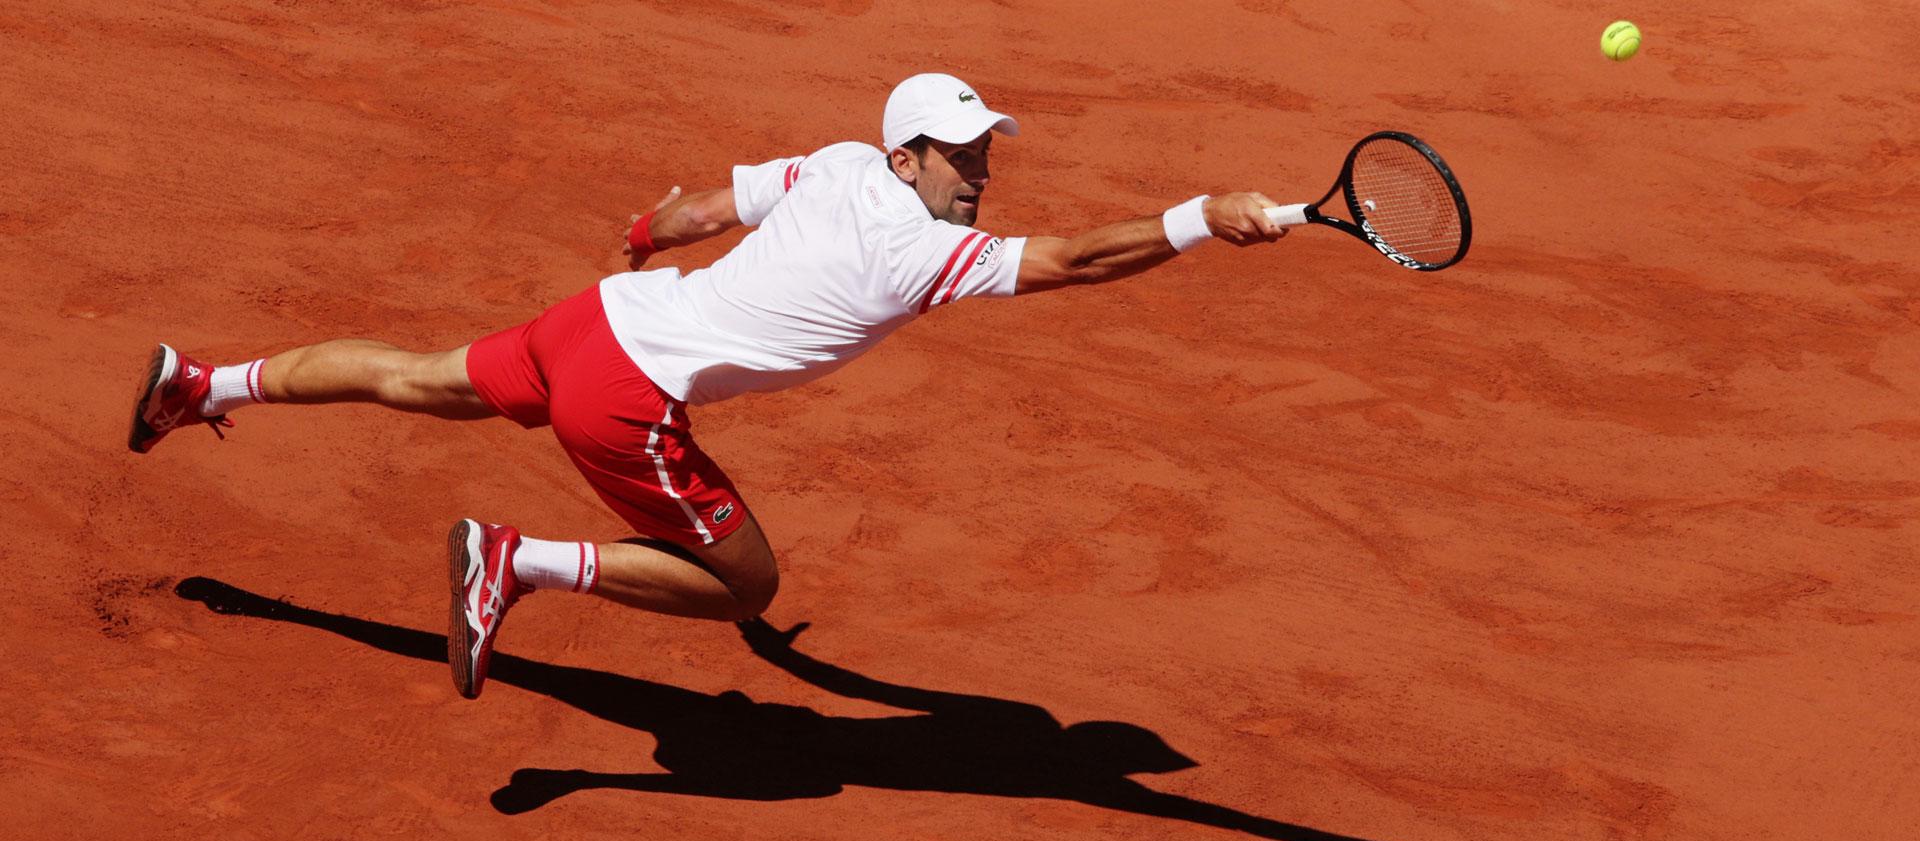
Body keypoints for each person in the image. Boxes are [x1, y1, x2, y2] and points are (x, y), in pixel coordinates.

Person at [129, 73, 1289, 699]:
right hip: (626, 398)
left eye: (985, 151)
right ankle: (514, 563)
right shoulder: (919, 251)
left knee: (419, 377)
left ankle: (201, 383)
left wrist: (646, 231)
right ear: (906, 157)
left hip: (593, 322)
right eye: (960, 154)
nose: (978, 172)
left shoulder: (837, 164)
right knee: (743, 585)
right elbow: (1075, 260)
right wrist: (1200, 216)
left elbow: (696, 214)